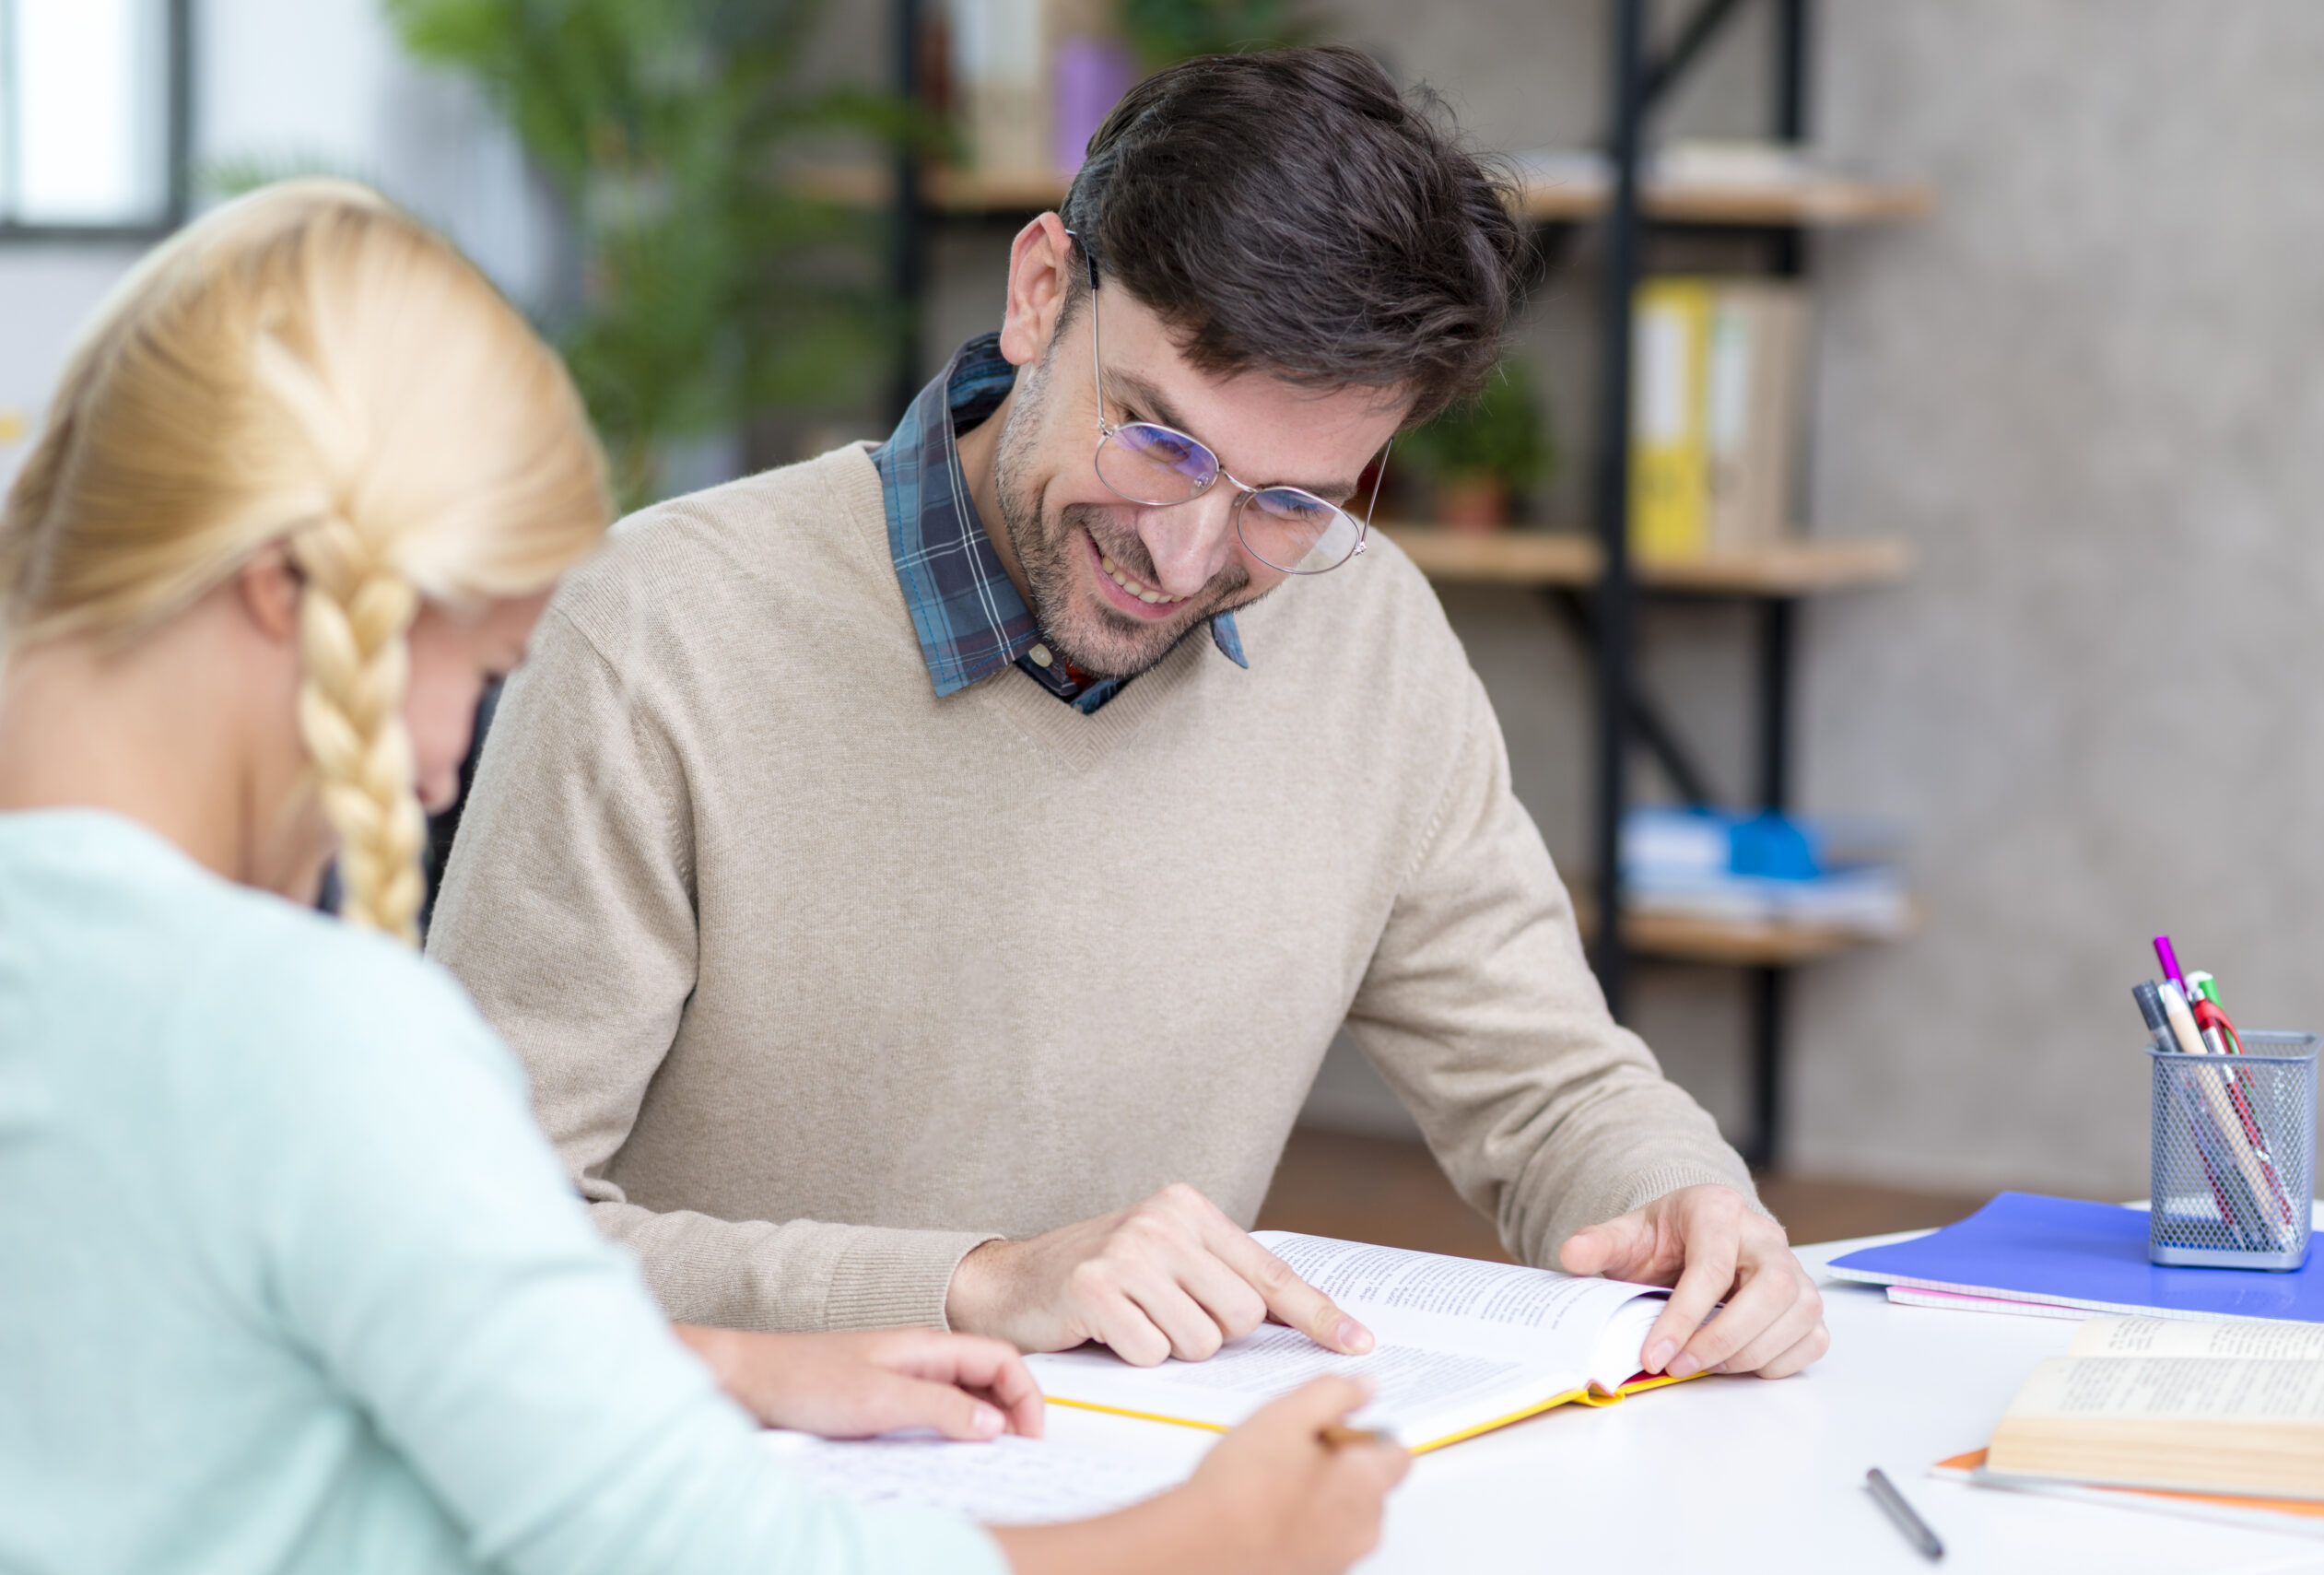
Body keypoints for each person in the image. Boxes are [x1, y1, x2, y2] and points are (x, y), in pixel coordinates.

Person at [0, 179, 1406, 1575]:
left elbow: (200, 1383)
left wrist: (708, 1364)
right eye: (485, 670)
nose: (440, 772)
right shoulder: (305, 1043)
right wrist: (1214, 1540)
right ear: (290, 589)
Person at [428, 46, 1828, 1382]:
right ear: (1040, 291)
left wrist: (1686, 1197)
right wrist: (975, 1282)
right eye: (1156, 438)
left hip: (1146, 1506)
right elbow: (467, 1239)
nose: (1183, 551)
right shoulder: (659, 630)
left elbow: (1552, 1087)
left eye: (1293, 501)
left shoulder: (1367, 634)